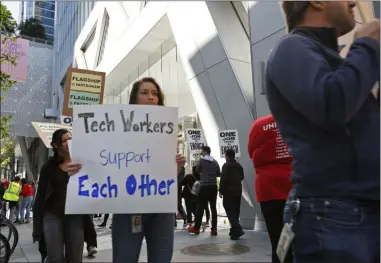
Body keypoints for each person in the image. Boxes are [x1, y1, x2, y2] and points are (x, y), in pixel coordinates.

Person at [267, 2, 380, 262]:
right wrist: (365, 46)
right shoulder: (291, 47)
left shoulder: (334, 61)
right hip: (334, 213)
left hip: (354, 211)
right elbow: (332, 106)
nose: (353, 3)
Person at [65, 77, 186, 263]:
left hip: (161, 210)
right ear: (134, 99)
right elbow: (99, 161)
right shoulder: (115, 131)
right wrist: (78, 170)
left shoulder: (167, 132)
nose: (151, 97)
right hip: (128, 209)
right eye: (144, 93)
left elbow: (170, 175)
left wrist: (177, 166)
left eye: (155, 94)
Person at [33, 129, 85, 263]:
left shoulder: (82, 163)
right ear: (56, 145)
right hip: (52, 215)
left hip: (75, 216)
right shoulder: (48, 167)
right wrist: (37, 227)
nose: (69, 143)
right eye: (65, 140)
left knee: (75, 258)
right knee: (55, 257)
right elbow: (40, 196)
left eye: (71, 139)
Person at [248, 115, 293, 262]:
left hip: (268, 189)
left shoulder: (260, 124)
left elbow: (251, 151)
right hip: (294, 186)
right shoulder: (297, 120)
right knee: (299, 240)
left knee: (277, 240)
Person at [188, 146, 220, 236]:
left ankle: (196, 228)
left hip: (204, 186)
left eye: (202, 151)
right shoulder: (215, 161)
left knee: (200, 207)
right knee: (213, 208)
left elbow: (197, 171)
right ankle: (214, 229)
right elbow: (218, 174)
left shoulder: (201, 160)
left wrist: (204, 172)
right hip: (213, 187)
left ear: (205, 152)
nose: (201, 153)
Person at [219, 149, 244, 240]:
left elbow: (223, 179)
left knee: (229, 210)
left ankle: (238, 228)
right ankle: (234, 232)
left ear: (227, 156)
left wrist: (221, 191)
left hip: (228, 192)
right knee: (236, 211)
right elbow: (242, 177)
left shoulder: (226, 166)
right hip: (238, 191)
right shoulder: (239, 166)